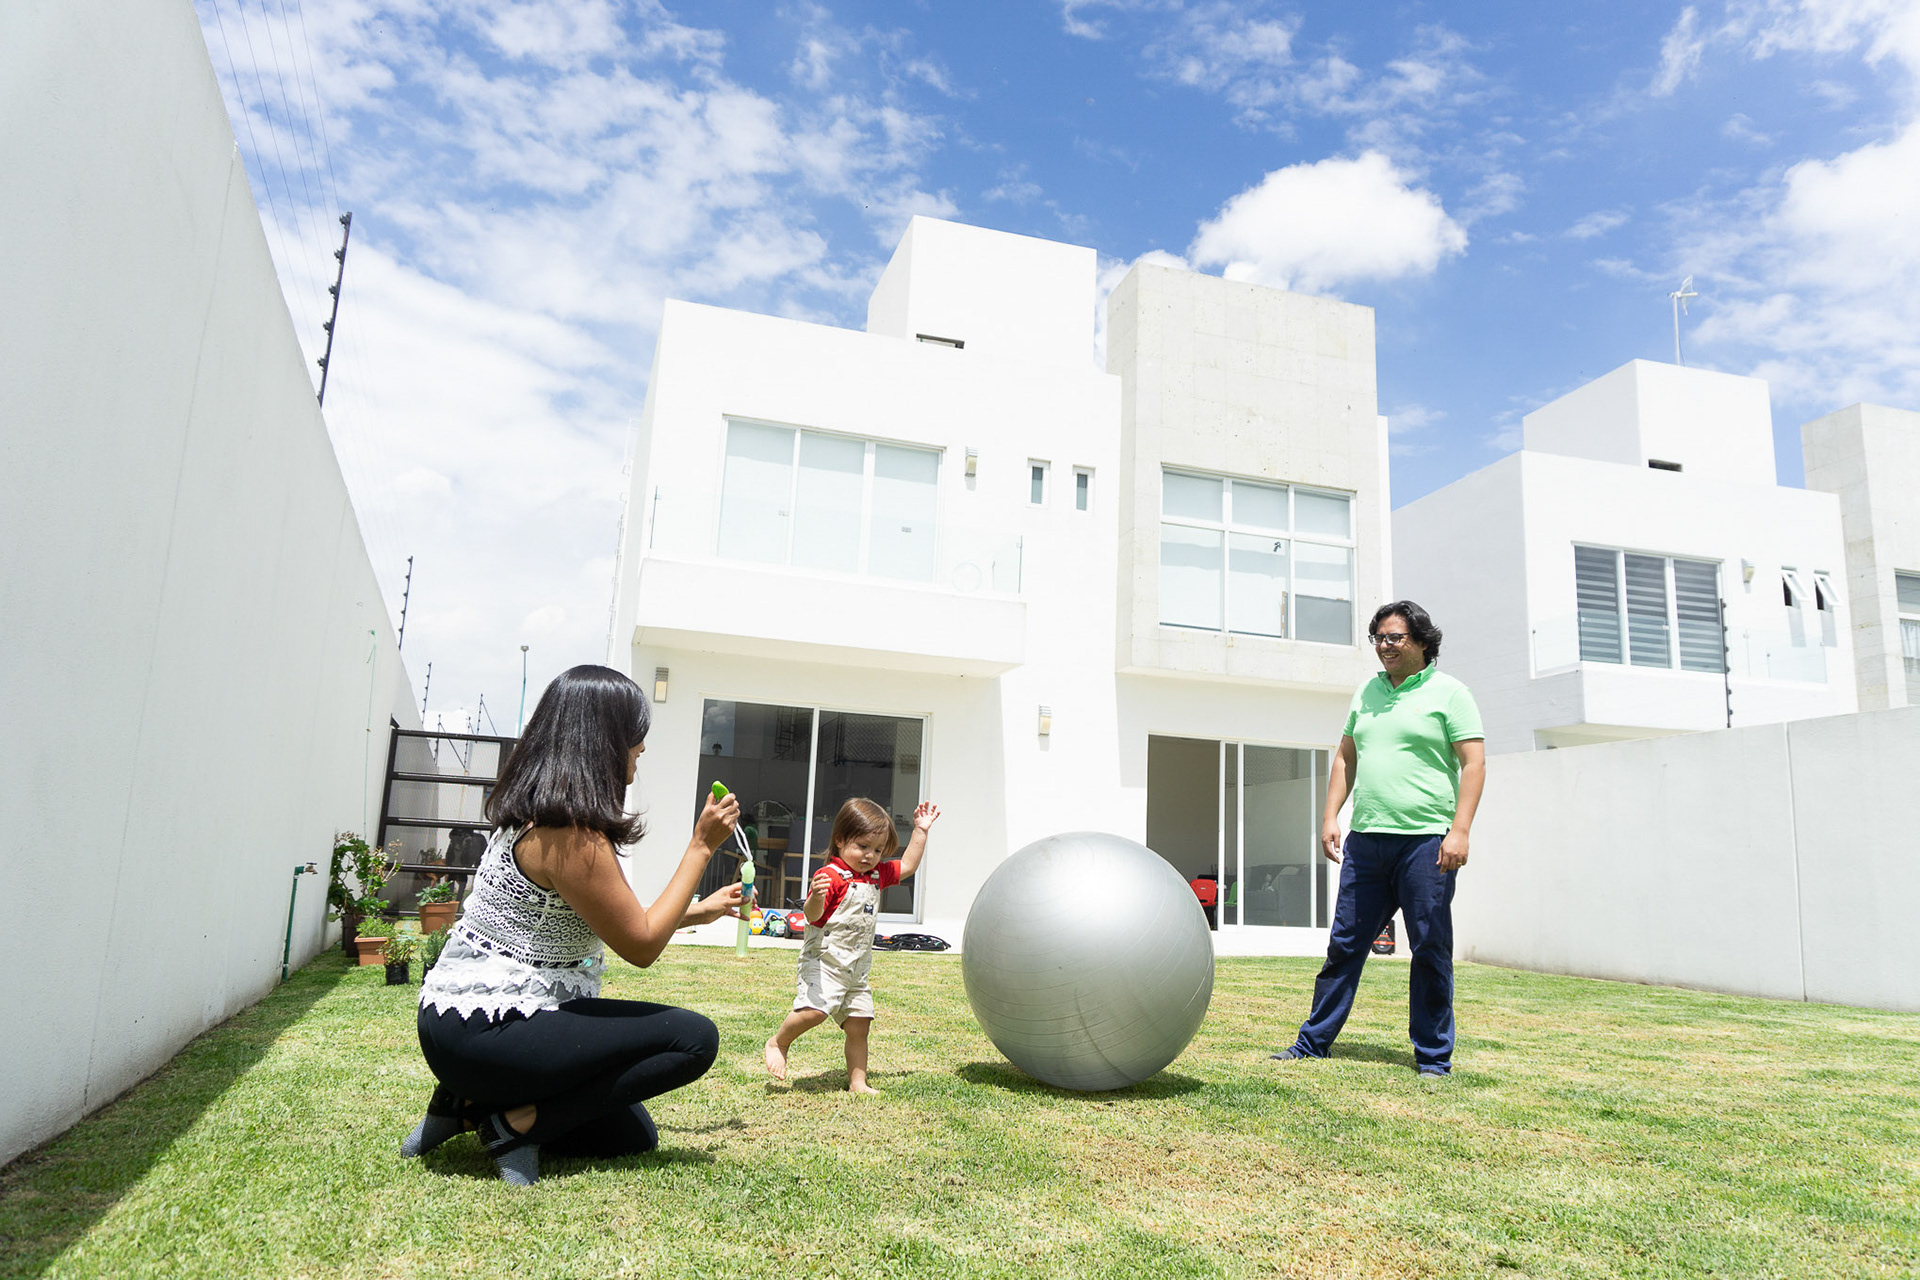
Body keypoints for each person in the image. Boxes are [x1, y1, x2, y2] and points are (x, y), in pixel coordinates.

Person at [400, 664, 748, 1185]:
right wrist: (700, 847)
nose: (642, 748)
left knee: (632, 1138)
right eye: (636, 734)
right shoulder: (570, 834)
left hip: (456, 1023)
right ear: (604, 739)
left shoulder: (534, 816)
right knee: (693, 1040)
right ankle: (512, 1124)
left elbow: (618, 920)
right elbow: (641, 945)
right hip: (488, 1029)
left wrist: (703, 909)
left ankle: (462, 1104)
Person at [1272, 601, 1485, 1077]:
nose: (1385, 647)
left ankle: (1433, 1056)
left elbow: (1473, 762)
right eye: (1379, 639)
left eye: (1394, 638)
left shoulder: (1451, 694)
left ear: (1422, 642)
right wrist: (1330, 816)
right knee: (1344, 944)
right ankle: (1312, 1043)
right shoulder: (1366, 692)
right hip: (1368, 841)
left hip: (1426, 843)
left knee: (1429, 947)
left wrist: (1460, 829)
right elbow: (1345, 756)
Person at [763, 798, 939, 1092]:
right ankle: (779, 1042)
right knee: (814, 1011)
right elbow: (812, 916)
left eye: (878, 850)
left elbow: (908, 865)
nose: (870, 856)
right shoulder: (830, 877)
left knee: (860, 1024)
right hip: (825, 962)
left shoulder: (875, 875)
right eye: (863, 846)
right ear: (841, 840)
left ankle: (858, 1082)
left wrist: (921, 829)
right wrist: (816, 897)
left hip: (856, 968)